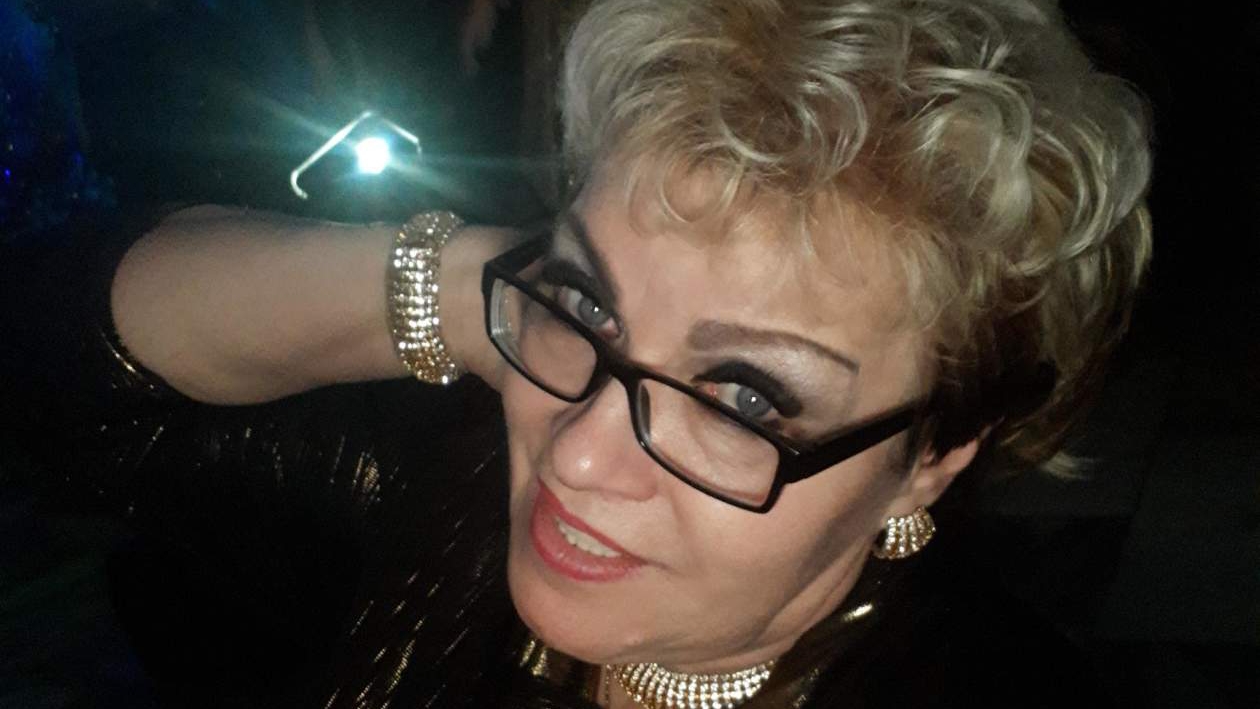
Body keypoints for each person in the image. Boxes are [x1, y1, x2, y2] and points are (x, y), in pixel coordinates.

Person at [10, 0, 1152, 706]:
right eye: (589, 306)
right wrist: (468, 286)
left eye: (745, 399)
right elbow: (60, 372)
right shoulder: (457, 485)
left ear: (932, 460)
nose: (579, 457)